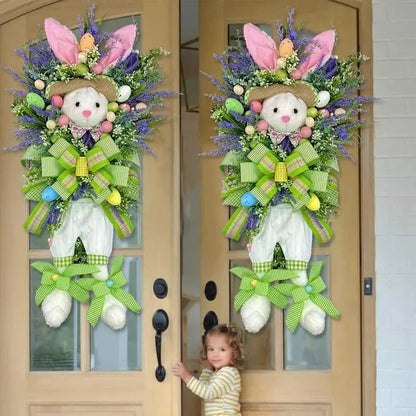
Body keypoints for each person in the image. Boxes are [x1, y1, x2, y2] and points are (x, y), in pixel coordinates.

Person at [172, 324, 244, 416]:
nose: (215, 354)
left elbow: (207, 392)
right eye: (211, 349)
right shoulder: (217, 373)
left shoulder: (229, 373)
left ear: (234, 353)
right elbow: (203, 385)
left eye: (222, 349)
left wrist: (187, 377)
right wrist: (208, 369)